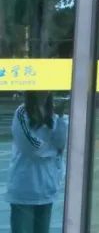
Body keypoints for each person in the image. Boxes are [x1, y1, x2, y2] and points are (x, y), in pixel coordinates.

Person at [7, 91, 68, 233]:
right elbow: (30, 146)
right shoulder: (22, 112)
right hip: (24, 191)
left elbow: (61, 143)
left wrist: (60, 118)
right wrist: (54, 151)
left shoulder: (53, 113)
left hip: (47, 189)